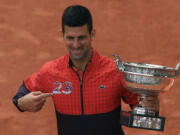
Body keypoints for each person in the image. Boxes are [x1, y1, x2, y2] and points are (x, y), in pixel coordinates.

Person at [13, 5, 158, 135]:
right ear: (62, 35)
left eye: (81, 38)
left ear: (92, 34)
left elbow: (147, 121)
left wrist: (151, 112)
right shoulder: (50, 72)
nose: (75, 45)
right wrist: (22, 103)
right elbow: (20, 95)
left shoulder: (116, 71)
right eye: (70, 38)